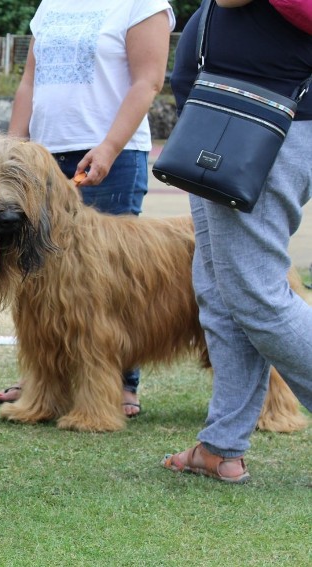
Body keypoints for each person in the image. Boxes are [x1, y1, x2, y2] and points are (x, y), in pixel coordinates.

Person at [0, 0, 176, 417]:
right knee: (39, 288)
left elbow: (148, 81)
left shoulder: (143, 4)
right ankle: (44, 389)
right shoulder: (50, 4)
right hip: (39, 161)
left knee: (109, 287)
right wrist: (10, 152)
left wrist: (109, 147)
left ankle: (120, 387)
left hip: (110, 154)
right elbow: (29, 82)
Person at [162, 0, 312, 483]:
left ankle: (222, 444)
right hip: (227, 124)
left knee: (257, 297)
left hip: (264, 126)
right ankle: (221, 446)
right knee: (221, 294)